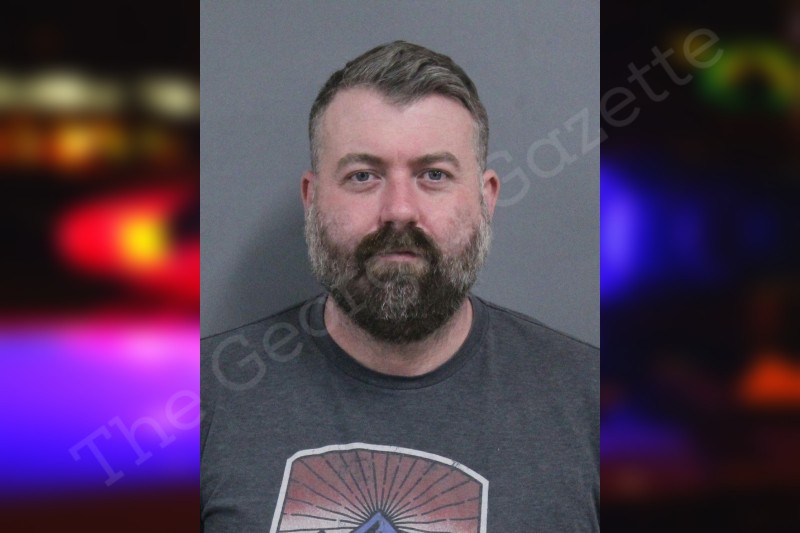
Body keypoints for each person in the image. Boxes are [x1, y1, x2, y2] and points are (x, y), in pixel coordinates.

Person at [201, 41, 598, 532]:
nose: (399, 210)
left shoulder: (598, 407)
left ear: (486, 200)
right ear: (312, 199)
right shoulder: (197, 400)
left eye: (434, 174)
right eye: (363, 176)